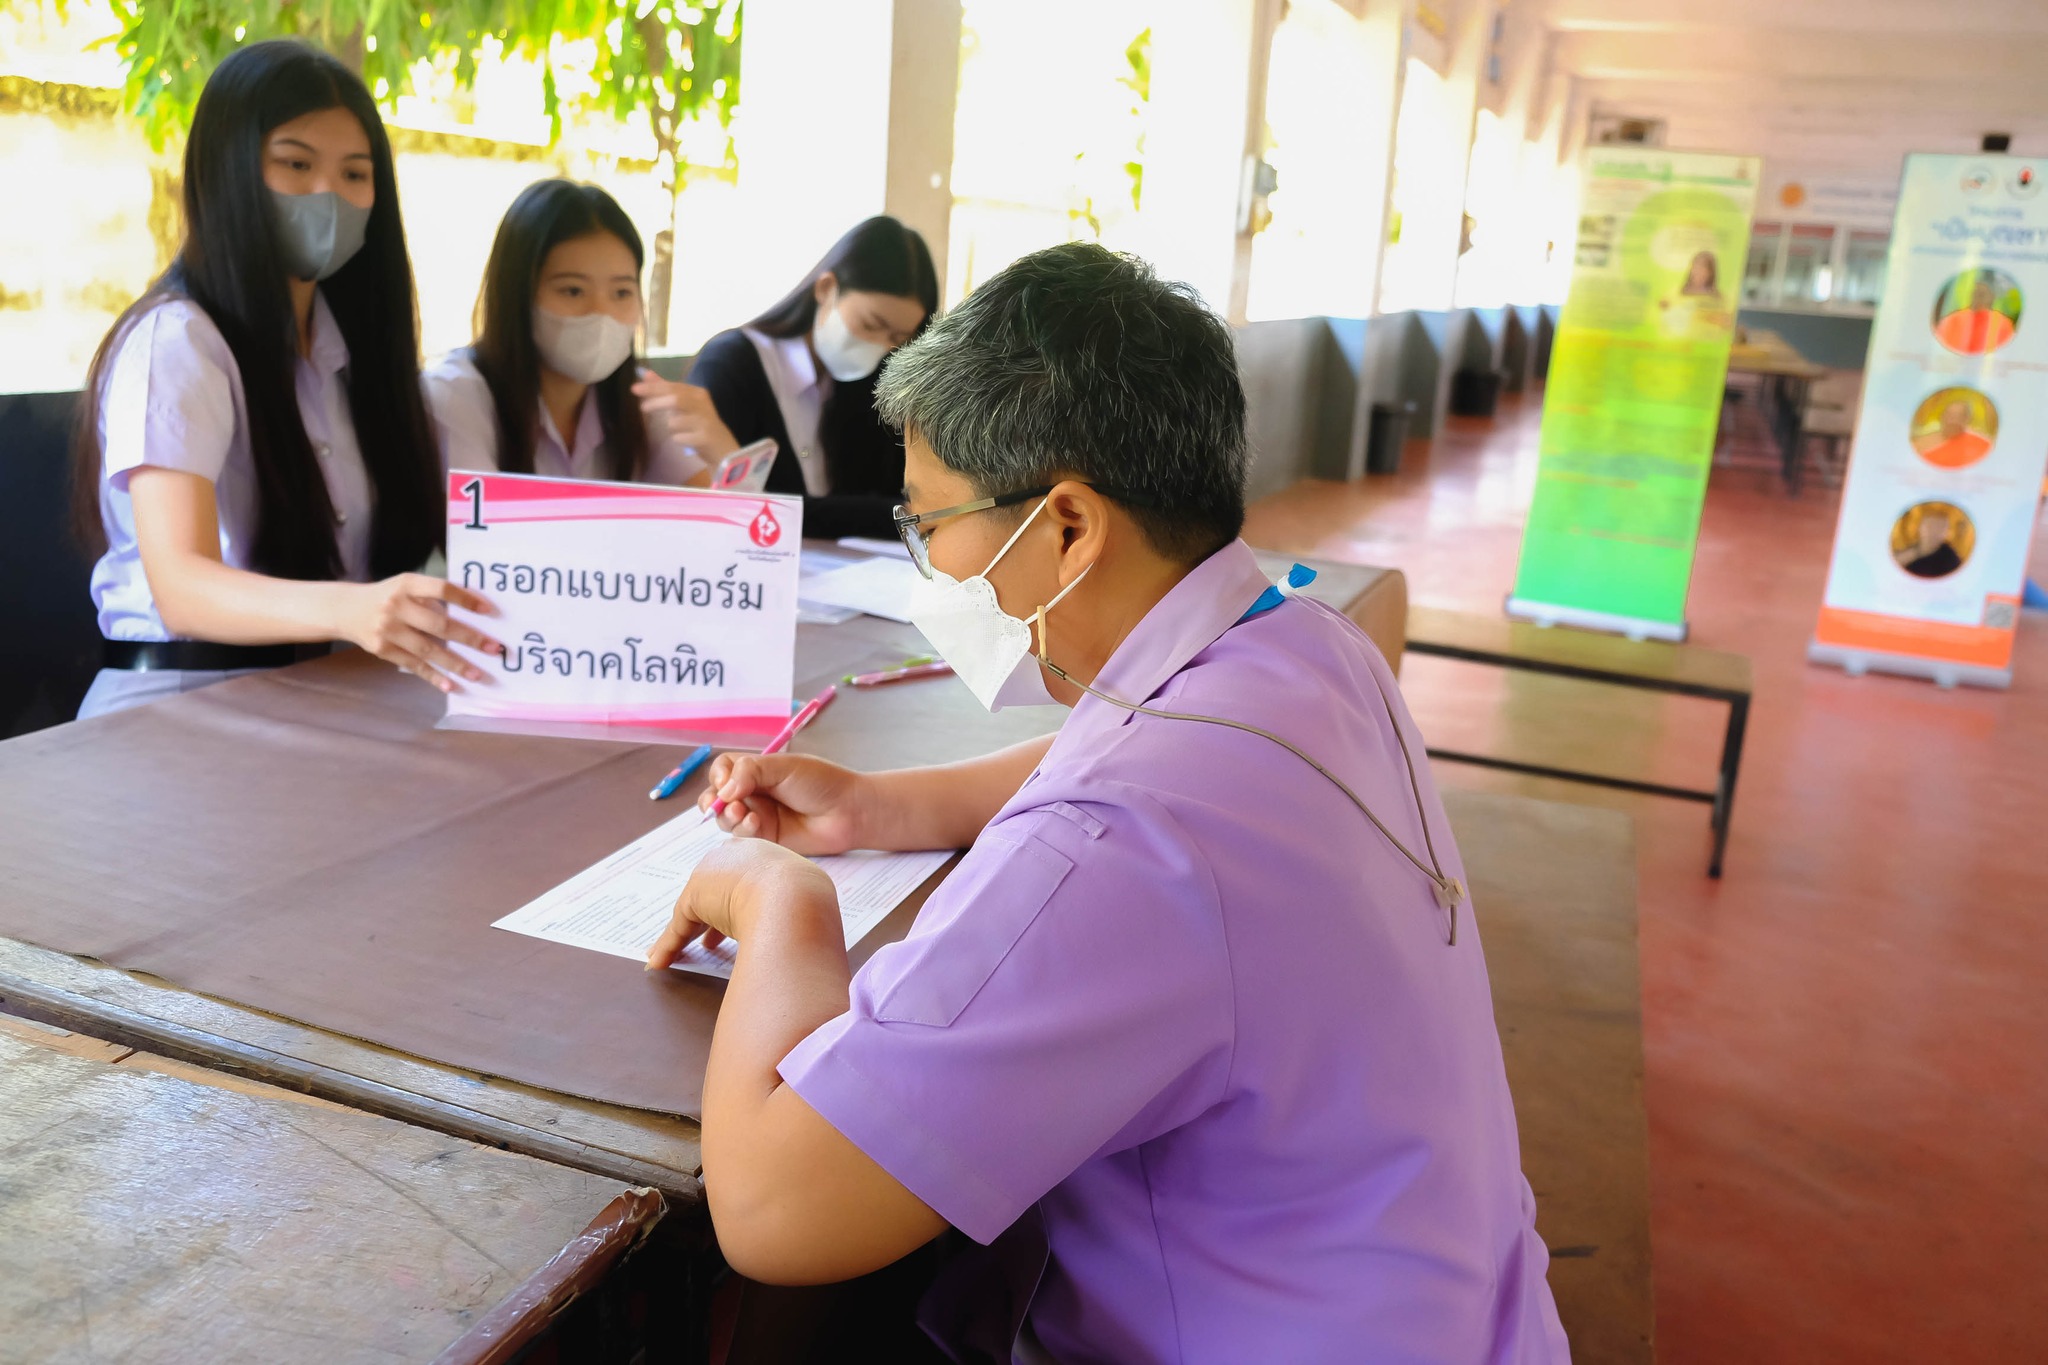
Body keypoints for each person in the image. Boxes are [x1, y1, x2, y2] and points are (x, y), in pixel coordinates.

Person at [647, 243, 1568, 1363]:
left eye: (931, 522)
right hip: (1451, 1305)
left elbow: (774, 1215)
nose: (929, 563)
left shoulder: (1112, 848)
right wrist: (879, 810)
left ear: (1067, 528)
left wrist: (780, 900)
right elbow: (1132, 755)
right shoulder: (1301, 640)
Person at [73, 39, 500, 721]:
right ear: (227, 172)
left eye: (356, 174)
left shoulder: (358, 356)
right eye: (296, 164)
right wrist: (356, 608)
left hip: (323, 696)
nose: (328, 194)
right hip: (173, 712)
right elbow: (180, 584)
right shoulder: (179, 340)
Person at [639, 216, 937, 539]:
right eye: (870, 325)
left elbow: (911, 509)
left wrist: (780, 505)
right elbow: (719, 510)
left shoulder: (877, 382)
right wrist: (860, 514)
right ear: (826, 289)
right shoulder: (734, 365)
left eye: (898, 336)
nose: (880, 347)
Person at [423, 179, 706, 486]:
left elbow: (718, 514)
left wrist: (719, 449)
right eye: (573, 291)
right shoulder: (455, 398)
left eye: (622, 293)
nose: (602, 314)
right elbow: (476, 529)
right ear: (517, 294)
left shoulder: (642, 404)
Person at [1934, 276, 2017, 355]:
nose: (1976, 299)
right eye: (1973, 294)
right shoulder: (1952, 320)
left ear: (1992, 297)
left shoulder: (2002, 324)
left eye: (1981, 295)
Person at [1914, 396, 1993, 469]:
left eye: (1959, 416)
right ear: (1942, 416)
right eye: (1949, 415)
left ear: (1967, 419)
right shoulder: (1923, 439)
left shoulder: (1980, 443)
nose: (1953, 420)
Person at [1900, 507, 1964, 578]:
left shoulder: (1951, 559)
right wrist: (1918, 552)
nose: (1933, 532)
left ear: (1946, 533)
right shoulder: (1910, 549)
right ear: (1919, 529)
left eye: (1940, 528)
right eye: (1929, 527)